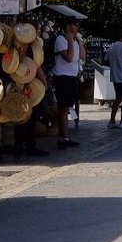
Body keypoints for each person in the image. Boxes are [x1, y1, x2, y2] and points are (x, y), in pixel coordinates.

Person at [51, 19, 83, 149]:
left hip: (72, 77)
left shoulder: (75, 41)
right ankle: (63, 138)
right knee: (63, 108)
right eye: (75, 24)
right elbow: (69, 58)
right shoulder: (61, 40)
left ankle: (64, 136)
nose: (77, 27)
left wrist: (79, 41)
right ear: (68, 26)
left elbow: (82, 56)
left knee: (68, 107)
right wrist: (69, 40)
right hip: (63, 77)